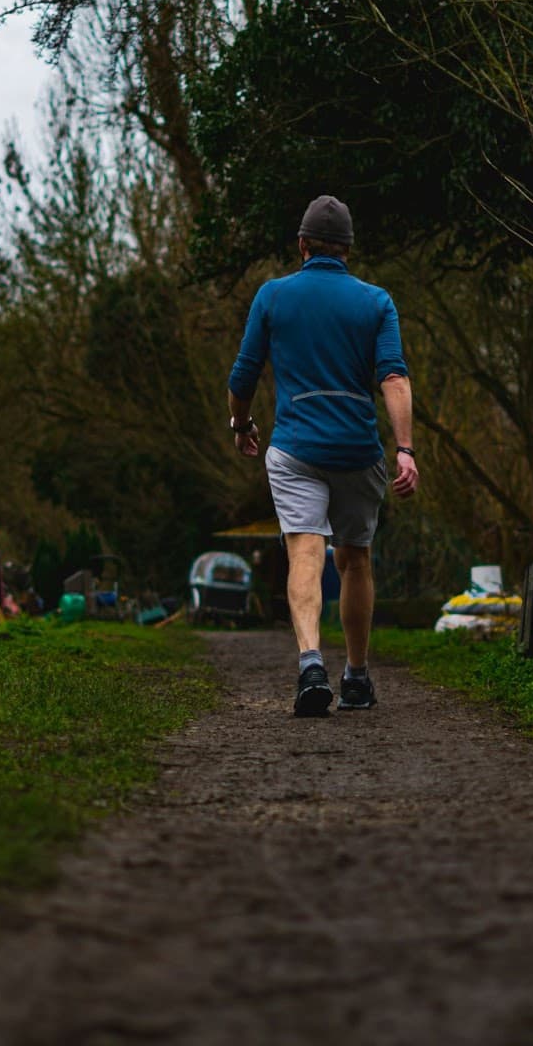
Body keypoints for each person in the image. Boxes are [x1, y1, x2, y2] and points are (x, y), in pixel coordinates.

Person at [227, 194, 419, 716]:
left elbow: (243, 377)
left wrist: (241, 425)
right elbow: (394, 377)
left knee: (305, 553)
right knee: (355, 559)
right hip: (357, 450)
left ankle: (311, 662)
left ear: (302, 245)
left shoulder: (272, 296)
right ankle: (355, 677)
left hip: (295, 450)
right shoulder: (376, 302)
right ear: (349, 251)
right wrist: (404, 450)